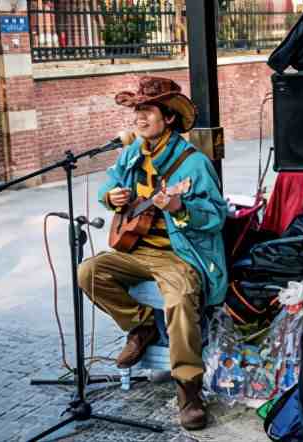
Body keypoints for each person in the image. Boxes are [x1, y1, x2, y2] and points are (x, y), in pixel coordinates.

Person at [78, 76, 228, 430]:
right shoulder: (133, 152)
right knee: (89, 272)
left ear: (169, 117)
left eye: (146, 111)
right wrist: (110, 195)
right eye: (136, 111)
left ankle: (188, 390)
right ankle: (141, 325)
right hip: (137, 250)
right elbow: (109, 182)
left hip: (180, 254)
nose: (139, 119)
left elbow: (217, 215)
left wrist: (178, 206)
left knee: (180, 297)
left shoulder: (193, 164)